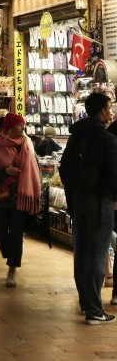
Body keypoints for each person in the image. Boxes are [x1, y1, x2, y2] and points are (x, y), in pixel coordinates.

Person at [60, 92, 117, 323]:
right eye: (110, 107)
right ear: (102, 111)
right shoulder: (108, 140)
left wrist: (73, 195)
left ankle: (86, 304)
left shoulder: (76, 135)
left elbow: (64, 168)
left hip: (78, 199)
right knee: (96, 253)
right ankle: (94, 310)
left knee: (82, 252)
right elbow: (114, 177)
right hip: (100, 201)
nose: (111, 111)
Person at [0, 112, 41, 288]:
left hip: (21, 197)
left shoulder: (27, 145)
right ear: (9, 128)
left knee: (16, 235)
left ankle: (12, 269)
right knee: (0, 233)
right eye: (19, 125)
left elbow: (35, 169)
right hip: (2, 196)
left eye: (23, 125)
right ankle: (11, 255)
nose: (22, 128)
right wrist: (4, 171)